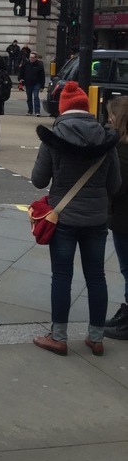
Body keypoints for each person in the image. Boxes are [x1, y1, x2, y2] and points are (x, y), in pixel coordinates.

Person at [31, 81, 120, 356]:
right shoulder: (107, 138)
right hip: (95, 220)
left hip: (64, 218)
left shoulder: (54, 138)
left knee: (61, 276)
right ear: (87, 108)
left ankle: (58, 337)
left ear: (63, 109)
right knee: (97, 276)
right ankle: (95, 337)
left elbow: (38, 180)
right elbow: (115, 185)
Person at [106, 96, 128, 340]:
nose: (109, 119)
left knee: (127, 268)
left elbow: (117, 187)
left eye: (112, 115)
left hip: (124, 219)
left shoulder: (121, 149)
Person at [19, 50, 46, 116]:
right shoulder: (26, 64)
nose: (31, 59)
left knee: (36, 97)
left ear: (36, 58)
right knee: (29, 97)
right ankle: (30, 111)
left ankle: (37, 111)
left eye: (32, 57)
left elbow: (42, 76)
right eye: (30, 57)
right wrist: (20, 79)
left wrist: (42, 86)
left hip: (36, 83)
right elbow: (21, 72)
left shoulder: (39, 65)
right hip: (28, 83)